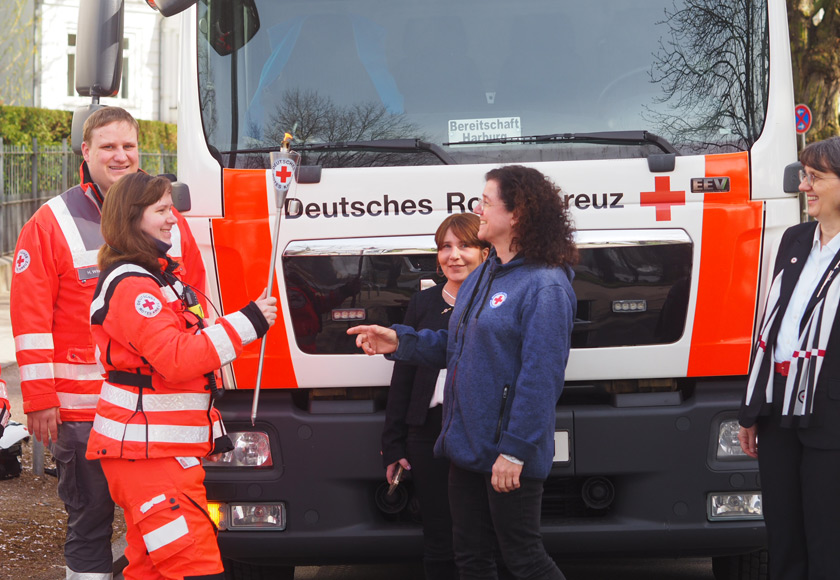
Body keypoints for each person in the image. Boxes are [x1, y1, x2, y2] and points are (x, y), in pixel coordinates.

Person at [350, 165, 577, 580]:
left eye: (486, 202)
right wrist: (399, 341)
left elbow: (541, 379)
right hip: (465, 449)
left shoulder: (545, 286)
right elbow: (457, 346)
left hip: (507, 455)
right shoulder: (484, 275)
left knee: (525, 560)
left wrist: (515, 451)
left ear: (517, 214)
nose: (478, 210)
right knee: (470, 560)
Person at [10, 106, 207, 579]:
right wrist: (39, 399)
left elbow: (197, 305)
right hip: (84, 412)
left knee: (160, 522)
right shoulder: (51, 223)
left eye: (128, 146)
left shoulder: (171, 221)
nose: (120, 156)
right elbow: (30, 319)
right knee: (90, 522)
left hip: (157, 410)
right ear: (86, 151)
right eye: (108, 146)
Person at [85, 172, 277, 579]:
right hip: (150, 458)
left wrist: (241, 324)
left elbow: (183, 356)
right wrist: (248, 323)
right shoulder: (134, 287)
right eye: (161, 210)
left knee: (151, 570)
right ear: (132, 217)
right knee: (195, 569)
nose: (173, 218)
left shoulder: (153, 280)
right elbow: (176, 358)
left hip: (154, 454)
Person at [739, 136, 840, 580]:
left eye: (815, 177)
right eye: (804, 175)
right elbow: (773, 323)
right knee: (782, 534)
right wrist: (752, 409)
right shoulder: (796, 239)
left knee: (827, 539)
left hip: (830, 415)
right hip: (778, 406)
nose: (803, 186)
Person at [382, 213, 489, 580]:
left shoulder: (499, 302)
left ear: (485, 252)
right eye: (445, 247)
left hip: (480, 429)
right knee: (439, 537)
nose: (453, 255)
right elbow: (403, 377)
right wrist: (393, 444)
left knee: (483, 537)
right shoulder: (423, 303)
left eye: (465, 245)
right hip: (428, 430)